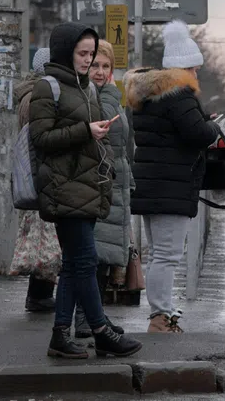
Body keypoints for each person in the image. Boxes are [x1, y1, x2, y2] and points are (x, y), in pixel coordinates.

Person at [29, 22, 141, 359]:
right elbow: (41, 140)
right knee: (85, 260)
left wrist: (98, 133)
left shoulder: (85, 89)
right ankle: (100, 329)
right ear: (66, 51)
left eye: (92, 54)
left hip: (86, 186)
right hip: (62, 187)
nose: (89, 61)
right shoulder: (48, 88)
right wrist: (85, 131)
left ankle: (62, 334)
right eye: (83, 54)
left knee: (76, 264)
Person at [124, 20, 223, 333]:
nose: (196, 75)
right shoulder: (178, 95)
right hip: (169, 186)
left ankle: (161, 313)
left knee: (158, 255)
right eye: (193, 69)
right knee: (167, 256)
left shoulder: (149, 95)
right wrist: (214, 126)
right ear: (184, 69)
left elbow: (172, 131)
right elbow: (198, 134)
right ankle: (160, 317)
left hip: (153, 183)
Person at [74, 41, 135, 338]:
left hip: (114, 184)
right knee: (93, 256)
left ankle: (95, 316)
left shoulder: (109, 93)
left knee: (103, 258)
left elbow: (122, 146)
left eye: (105, 66)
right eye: (94, 64)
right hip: (96, 184)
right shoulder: (95, 94)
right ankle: (86, 319)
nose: (99, 71)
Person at [11, 48, 61, 312]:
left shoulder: (29, 93)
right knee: (44, 238)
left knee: (44, 237)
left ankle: (41, 293)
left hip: (35, 172)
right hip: (39, 173)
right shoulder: (35, 97)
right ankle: (39, 295)